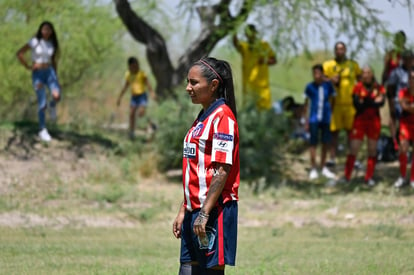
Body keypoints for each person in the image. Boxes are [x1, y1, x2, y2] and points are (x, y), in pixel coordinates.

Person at [172, 57, 239, 275]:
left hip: (213, 210)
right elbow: (195, 168)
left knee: (209, 273)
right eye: (188, 82)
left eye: (194, 83)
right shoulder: (203, 116)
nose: (188, 88)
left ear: (213, 85)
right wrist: (185, 209)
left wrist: (204, 213)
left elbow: (222, 171)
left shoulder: (223, 118)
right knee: (187, 270)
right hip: (195, 210)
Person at [16, 21, 61, 142]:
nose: (46, 32)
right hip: (38, 74)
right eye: (44, 29)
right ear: (41, 30)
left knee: (57, 96)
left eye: (48, 30)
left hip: (49, 72)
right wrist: (28, 66)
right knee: (42, 102)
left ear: (51, 31)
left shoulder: (52, 43)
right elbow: (20, 53)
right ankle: (42, 129)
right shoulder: (35, 41)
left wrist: (56, 75)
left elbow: (53, 60)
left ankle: (52, 106)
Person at [343, 66, 385, 186]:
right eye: (364, 73)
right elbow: (357, 105)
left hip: (374, 121)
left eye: (368, 72)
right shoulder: (357, 87)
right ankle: (347, 176)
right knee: (353, 148)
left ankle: (369, 177)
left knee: (372, 149)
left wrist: (366, 101)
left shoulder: (379, 87)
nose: (366, 75)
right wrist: (371, 101)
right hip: (360, 120)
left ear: (372, 74)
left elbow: (381, 103)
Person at [323, 41, 362, 166]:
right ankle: (332, 158)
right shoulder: (328, 65)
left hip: (350, 103)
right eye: (337, 49)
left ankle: (352, 158)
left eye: (342, 49)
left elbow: (361, 80)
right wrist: (330, 79)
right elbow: (321, 78)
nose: (340, 51)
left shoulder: (352, 65)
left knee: (351, 132)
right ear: (334, 51)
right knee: (334, 132)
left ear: (345, 50)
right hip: (335, 104)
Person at [233, 24, 276, 111]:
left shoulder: (264, 45)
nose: (249, 35)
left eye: (251, 33)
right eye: (247, 33)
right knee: (249, 113)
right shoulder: (244, 46)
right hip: (248, 88)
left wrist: (264, 60)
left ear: (255, 33)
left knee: (263, 114)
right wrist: (234, 31)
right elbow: (236, 44)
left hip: (262, 89)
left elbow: (274, 60)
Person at [304, 64, 336, 180]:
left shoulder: (328, 86)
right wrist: (306, 120)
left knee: (325, 142)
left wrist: (330, 113)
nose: (316, 76)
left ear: (322, 74)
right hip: (313, 118)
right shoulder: (309, 87)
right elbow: (306, 103)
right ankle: (313, 167)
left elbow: (333, 100)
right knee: (313, 143)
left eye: (318, 73)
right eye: (314, 73)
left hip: (326, 118)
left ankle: (323, 166)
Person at [116, 57, 156, 139]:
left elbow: (148, 84)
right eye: (133, 66)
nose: (136, 67)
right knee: (131, 114)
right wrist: (120, 97)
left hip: (142, 96)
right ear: (130, 66)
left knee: (141, 113)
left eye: (137, 65)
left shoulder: (141, 73)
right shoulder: (128, 74)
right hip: (134, 97)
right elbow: (126, 86)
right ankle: (131, 132)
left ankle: (152, 125)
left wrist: (152, 93)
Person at [386, 50, 414, 152]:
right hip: (401, 101)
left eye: (410, 58)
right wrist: (391, 104)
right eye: (406, 59)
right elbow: (390, 89)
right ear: (402, 60)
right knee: (398, 121)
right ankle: (395, 143)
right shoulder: (396, 72)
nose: (408, 61)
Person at [394, 70, 414, 188]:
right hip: (405, 123)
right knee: (403, 148)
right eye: (410, 78)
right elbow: (404, 106)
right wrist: (409, 106)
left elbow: (408, 107)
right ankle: (402, 176)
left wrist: (409, 106)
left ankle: (412, 178)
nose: (412, 80)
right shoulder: (402, 92)